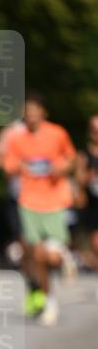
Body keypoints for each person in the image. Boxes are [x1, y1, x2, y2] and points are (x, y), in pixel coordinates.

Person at [3, 92, 76, 326]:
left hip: (55, 200)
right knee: (37, 257)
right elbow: (8, 166)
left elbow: (71, 159)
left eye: (35, 111)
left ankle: (65, 257)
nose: (31, 115)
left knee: (51, 256)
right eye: (27, 111)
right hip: (28, 202)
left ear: (44, 112)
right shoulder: (17, 138)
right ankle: (50, 302)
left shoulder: (57, 133)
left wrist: (60, 168)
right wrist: (19, 166)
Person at [75, 114, 98, 272]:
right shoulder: (84, 155)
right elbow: (79, 180)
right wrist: (89, 177)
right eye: (94, 130)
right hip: (93, 207)